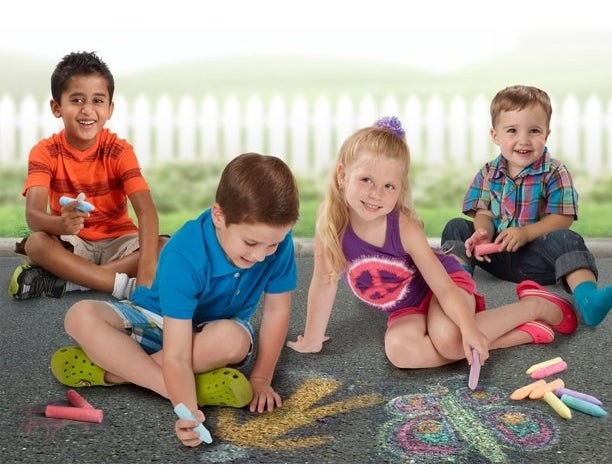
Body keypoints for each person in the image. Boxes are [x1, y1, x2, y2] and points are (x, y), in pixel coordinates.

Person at [287, 116, 578, 370]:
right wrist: (313, 337)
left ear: (400, 188)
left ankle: (533, 307)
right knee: (401, 352)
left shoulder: (403, 226)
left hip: (445, 286)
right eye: (366, 180)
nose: (376, 194)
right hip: (408, 306)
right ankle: (521, 333)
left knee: (450, 342)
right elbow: (324, 281)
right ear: (342, 175)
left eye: (389, 186)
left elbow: (443, 287)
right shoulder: (331, 220)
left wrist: (468, 328)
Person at [50, 152, 300, 447]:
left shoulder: (278, 244)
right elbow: (177, 354)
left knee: (233, 340)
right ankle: (177, 386)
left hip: (216, 331)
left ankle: (112, 372)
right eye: (250, 243)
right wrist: (187, 410)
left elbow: (276, 313)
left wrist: (260, 379)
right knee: (80, 316)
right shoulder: (185, 254)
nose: (261, 255)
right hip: (159, 319)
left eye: (272, 244)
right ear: (219, 216)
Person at [441, 85, 611, 327]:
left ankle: (588, 298)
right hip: (495, 255)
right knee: (456, 227)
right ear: (495, 135)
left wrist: (525, 233)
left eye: (534, 131)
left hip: (537, 258)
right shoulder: (488, 172)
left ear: (547, 134)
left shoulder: (554, 171)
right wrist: (483, 233)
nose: (523, 140)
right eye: (512, 131)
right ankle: (458, 290)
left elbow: (563, 218)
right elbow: (484, 212)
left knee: (567, 238)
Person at [8, 51, 166, 301]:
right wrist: (61, 224)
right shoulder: (44, 152)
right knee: (36, 243)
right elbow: (33, 216)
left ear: (110, 108)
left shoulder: (119, 151)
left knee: (164, 246)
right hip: (74, 242)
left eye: (97, 101)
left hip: (119, 241)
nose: (87, 110)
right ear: (56, 107)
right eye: (77, 100)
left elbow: (147, 211)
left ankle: (74, 283)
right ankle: (122, 286)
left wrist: (147, 273)